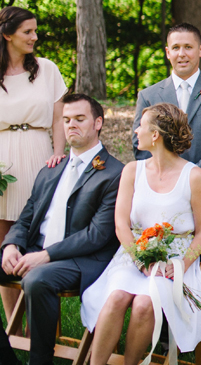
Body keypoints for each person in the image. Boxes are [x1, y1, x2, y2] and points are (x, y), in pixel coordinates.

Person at [131, 22, 201, 357]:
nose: (181, 53)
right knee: (164, 260)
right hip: (163, 197)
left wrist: (191, 177)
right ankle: (163, 338)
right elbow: (139, 147)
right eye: (175, 47)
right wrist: (171, 180)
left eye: (188, 47)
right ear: (167, 52)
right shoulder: (149, 95)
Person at [81, 103, 201, 365]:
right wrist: (141, 259)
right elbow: (121, 224)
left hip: (175, 261)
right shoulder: (132, 171)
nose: (135, 130)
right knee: (116, 296)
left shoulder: (194, 176)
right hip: (134, 253)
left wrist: (182, 265)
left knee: (144, 303)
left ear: (155, 135)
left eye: (141, 125)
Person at [0, 93, 123, 365]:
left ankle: (40, 360)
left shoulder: (115, 173)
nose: (71, 125)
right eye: (66, 120)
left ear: (98, 123)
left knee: (36, 279)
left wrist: (45, 256)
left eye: (80, 119)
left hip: (82, 259)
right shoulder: (51, 168)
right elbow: (27, 215)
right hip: (35, 249)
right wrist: (11, 245)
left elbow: (98, 235)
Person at [0, 6, 68, 317]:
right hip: (3, 159)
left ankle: (36, 327)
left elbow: (58, 118)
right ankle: (13, 328)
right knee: (5, 244)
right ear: (7, 35)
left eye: (35, 30)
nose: (34, 37)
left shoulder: (47, 69)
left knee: (37, 237)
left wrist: (58, 152)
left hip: (41, 157)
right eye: (28, 31)